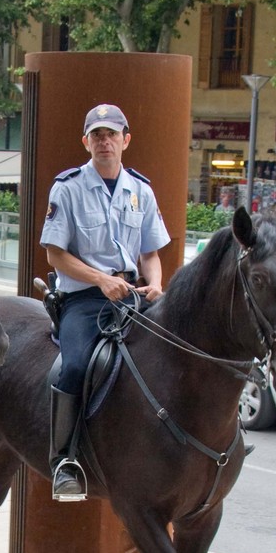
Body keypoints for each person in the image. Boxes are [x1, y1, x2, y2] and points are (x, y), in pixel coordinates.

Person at [39, 103, 170, 501]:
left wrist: (156, 283)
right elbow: (54, 254)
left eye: (111, 134)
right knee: (75, 365)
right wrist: (100, 279)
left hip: (134, 297)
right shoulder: (68, 187)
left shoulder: (141, 191)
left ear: (125, 140)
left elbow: (150, 251)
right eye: (96, 135)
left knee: (179, 352)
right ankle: (65, 460)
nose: (104, 141)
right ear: (86, 142)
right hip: (85, 300)